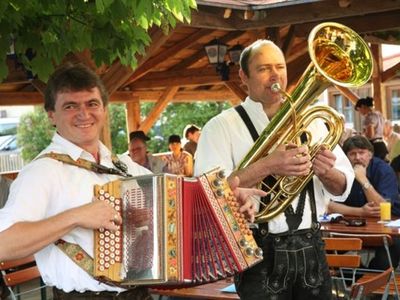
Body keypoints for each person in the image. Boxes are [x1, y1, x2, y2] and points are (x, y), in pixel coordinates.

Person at [0, 64, 263, 300]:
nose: (83, 114)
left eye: (91, 103)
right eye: (70, 106)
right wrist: (76, 216)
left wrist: (228, 202)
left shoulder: (124, 167)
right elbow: (4, 244)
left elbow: (183, 205)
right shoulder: (42, 171)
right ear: (51, 115)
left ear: (104, 109)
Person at [195, 39, 354, 300]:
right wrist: (268, 165)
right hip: (259, 252)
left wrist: (326, 172)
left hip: (312, 246)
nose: (275, 75)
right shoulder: (221, 126)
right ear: (243, 76)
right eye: (264, 68)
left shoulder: (312, 121)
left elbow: (342, 187)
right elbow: (207, 192)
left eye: (280, 67)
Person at [328, 135, 400, 270]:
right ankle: (358, 281)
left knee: (387, 258)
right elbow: (328, 205)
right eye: (352, 154)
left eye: (361, 153)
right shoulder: (340, 172)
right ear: (346, 157)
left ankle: (370, 283)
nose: (357, 157)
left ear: (370, 154)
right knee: (328, 252)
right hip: (351, 228)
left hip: (387, 229)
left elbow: (382, 207)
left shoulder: (383, 170)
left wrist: (363, 180)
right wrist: (360, 211)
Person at [355, 96, 388, 161]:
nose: (359, 112)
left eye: (359, 109)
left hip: (374, 147)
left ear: (362, 106)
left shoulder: (369, 117)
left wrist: (361, 135)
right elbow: (385, 132)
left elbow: (370, 135)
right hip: (382, 145)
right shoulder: (380, 115)